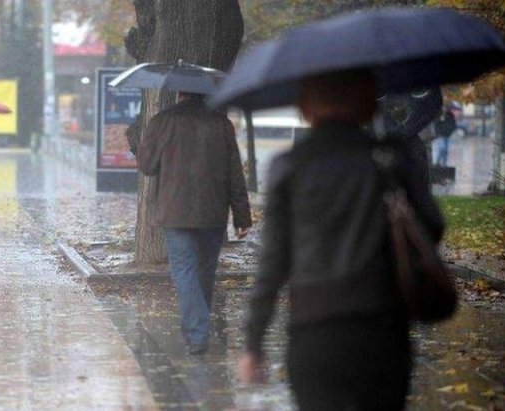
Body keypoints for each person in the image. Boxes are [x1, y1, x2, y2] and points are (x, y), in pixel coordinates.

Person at [237, 70, 444, 410]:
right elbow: (432, 228)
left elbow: (273, 262)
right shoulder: (389, 158)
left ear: (306, 107)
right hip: (382, 327)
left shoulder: (289, 166)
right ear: (367, 104)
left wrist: (253, 343)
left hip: (315, 331)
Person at [138, 91, 252, 355]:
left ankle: (197, 332)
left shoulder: (163, 120)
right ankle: (197, 328)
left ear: (179, 93)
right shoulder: (221, 123)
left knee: (184, 269)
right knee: (204, 271)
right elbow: (235, 172)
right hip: (213, 211)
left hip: (175, 211)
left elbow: (147, 166)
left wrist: (142, 141)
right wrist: (242, 216)